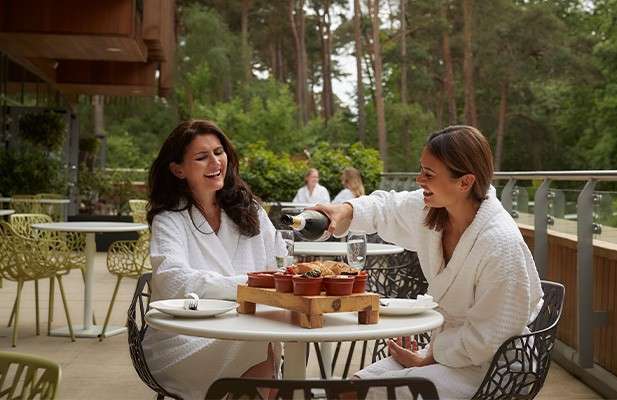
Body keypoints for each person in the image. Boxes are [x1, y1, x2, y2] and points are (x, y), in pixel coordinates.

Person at [312, 125, 543, 399]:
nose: (419, 179)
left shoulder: (500, 244)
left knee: (361, 395)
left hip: (492, 368)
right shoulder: (434, 210)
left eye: (429, 174)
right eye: (421, 169)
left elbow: (490, 337)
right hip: (449, 352)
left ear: (465, 182)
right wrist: (345, 209)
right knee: (351, 387)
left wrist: (430, 356)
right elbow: (388, 208)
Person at [144, 119, 284, 399]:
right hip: (185, 338)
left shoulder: (250, 211)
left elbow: (280, 263)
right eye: (201, 157)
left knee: (264, 340)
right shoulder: (170, 219)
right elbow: (173, 278)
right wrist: (247, 285)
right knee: (259, 343)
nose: (215, 162)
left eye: (219, 152)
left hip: (246, 326)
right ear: (178, 170)